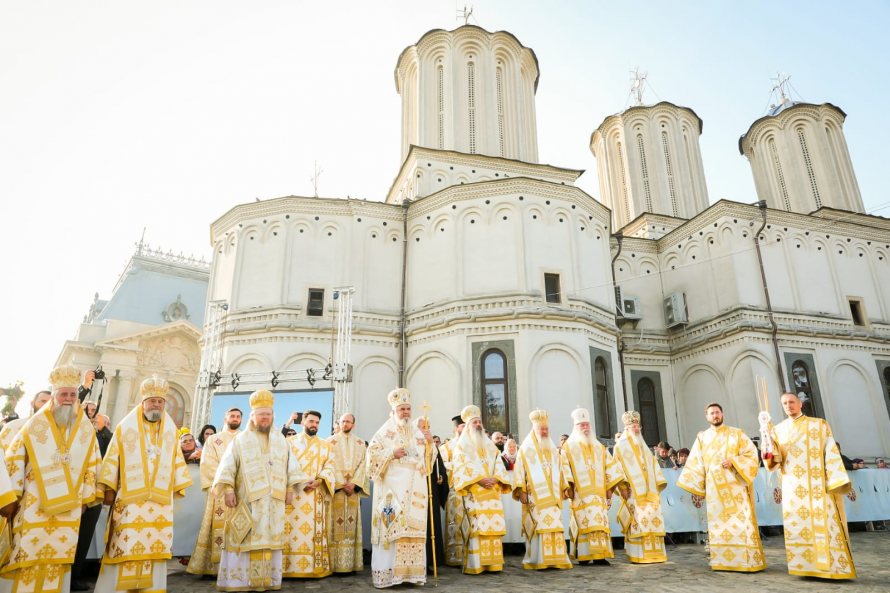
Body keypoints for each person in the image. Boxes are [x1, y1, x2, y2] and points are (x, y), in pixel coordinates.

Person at [0, 364, 101, 593]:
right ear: (53, 397)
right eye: (63, 394)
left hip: (70, 508)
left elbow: (92, 465)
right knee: (25, 553)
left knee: (59, 557)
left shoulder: (85, 430)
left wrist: (86, 499)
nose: (68, 399)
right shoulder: (32, 426)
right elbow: (13, 460)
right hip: (33, 504)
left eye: (72, 395)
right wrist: (13, 496)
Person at [94, 375, 193, 593]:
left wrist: (178, 485)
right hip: (129, 502)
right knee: (124, 544)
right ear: (143, 403)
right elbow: (112, 458)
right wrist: (109, 489)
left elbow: (176, 459)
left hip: (160, 503)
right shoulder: (124, 427)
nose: (156, 405)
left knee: (155, 548)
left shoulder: (170, 431)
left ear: (164, 404)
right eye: (152, 401)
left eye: (160, 401)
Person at [213, 390, 307, 591]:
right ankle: (239, 582)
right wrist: (228, 489)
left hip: (273, 502)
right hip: (246, 501)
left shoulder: (282, 441)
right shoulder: (240, 440)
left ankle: (267, 581)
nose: (265, 418)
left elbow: (292, 466)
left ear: (273, 416)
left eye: (268, 414)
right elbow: (228, 466)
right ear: (252, 417)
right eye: (261, 414)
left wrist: (290, 488)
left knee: (270, 539)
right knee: (244, 538)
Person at [764, 392, 856, 579]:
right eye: (784, 403)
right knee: (798, 526)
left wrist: (834, 479)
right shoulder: (777, 430)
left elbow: (830, 452)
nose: (788, 405)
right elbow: (773, 461)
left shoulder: (818, 425)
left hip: (818, 486)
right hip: (792, 488)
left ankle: (833, 568)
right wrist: (766, 439)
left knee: (826, 524)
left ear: (800, 404)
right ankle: (806, 567)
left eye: (791, 402)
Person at [676, 403, 765, 572]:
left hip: (736, 487)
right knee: (719, 525)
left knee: (741, 522)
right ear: (707, 417)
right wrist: (698, 488)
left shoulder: (737, 433)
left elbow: (752, 455)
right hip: (714, 490)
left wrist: (734, 461)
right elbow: (696, 462)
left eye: (717, 412)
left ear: (722, 414)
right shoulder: (702, 438)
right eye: (711, 413)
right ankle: (723, 560)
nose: (715, 415)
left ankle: (746, 561)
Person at [365, 388, 429, 588]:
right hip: (392, 492)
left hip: (415, 493)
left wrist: (430, 444)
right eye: (402, 409)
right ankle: (389, 575)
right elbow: (371, 458)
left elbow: (428, 461)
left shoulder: (417, 432)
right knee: (391, 531)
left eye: (408, 409)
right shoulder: (384, 432)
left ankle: (410, 575)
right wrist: (391, 452)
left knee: (411, 531)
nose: (406, 412)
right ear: (393, 411)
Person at [450, 405, 511, 574]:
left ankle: (494, 564)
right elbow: (461, 466)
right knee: (477, 528)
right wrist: (480, 480)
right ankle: (476, 564)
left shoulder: (490, 446)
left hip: (492, 492)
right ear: (468, 426)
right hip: (474, 493)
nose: (478, 424)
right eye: (474, 422)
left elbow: (498, 463)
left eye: (479, 422)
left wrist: (496, 478)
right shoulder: (462, 446)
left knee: (493, 527)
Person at [561, 407, 626, 564]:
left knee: (599, 523)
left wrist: (609, 490)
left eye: (587, 425)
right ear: (575, 427)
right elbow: (564, 468)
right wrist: (568, 488)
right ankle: (584, 556)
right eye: (581, 425)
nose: (585, 428)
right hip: (579, 494)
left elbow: (610, 467)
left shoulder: (599, 447)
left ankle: (600, 556)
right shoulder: (568, 447)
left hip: (598, 494)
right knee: (584, 523)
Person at [512, 409, 572, 570]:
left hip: (553, 496)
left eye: (546, 429)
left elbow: (560, 470)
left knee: (555, 525)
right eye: (541, 429)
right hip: (535, 497)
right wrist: (521, 490)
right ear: (534, 429)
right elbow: (519, 470)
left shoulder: (553, 449)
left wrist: (564, 486)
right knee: (539, 526)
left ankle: (557, 558)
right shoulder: (526, 448)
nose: (544, 431)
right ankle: (538, 559)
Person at [187, 407, 243, 576]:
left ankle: (238, 566)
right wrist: (225, 484)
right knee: (216, 527)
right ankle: (214, 568)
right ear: (225, 418)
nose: (235, 418)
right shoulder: (214, 440)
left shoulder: (245, 438)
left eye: (238, 416)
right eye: (231, 416)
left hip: (242, 492)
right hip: (219, 491)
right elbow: (208, 463)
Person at [283, 410, 335, 578]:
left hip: (315, 495)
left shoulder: (325, 445)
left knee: (313, 531)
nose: (314, 425)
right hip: (293, 493)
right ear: (303, 422)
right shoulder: (289, 442)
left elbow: (330, 466)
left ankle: (313, 567)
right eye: (311, 421)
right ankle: (288, 567)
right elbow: (283, 465)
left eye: (317, 422)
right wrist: (298, 482)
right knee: (290, 530)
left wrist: (320, 480)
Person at [612, 410, 667, 564]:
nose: (636, 429)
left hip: (650, 492)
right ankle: (637, 554)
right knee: (637, 521)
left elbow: (653, 465)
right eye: (633, 426)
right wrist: (622, 486)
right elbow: (616, 467)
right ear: (627, 429)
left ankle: (655, 554)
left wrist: (657, 483)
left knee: (652, 520)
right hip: (633, 492)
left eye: (638, 426)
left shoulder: (644, 447)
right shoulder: (620, 447)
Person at [71, 412, 115, 590]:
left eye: (93, 419)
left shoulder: (101, 437)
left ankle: (75, 576)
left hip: (92, 496)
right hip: (68, 496)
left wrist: (102, 429)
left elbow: (108, 450)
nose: (91, 421)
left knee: (84, 540)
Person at [326, 412, 369, 574]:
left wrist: (354, 484)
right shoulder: (329, 442)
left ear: (354, 424)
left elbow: (364, 465)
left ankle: (350, 565)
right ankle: (333, 565)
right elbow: (328, 465)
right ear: (339, 423)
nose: (345, 424)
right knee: (333, 527)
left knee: (351, 527)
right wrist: (341, 484)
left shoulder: (360, 444)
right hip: (336, 491)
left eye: (348, 422)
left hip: (353, 492)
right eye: (343, 421)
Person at [415, 415, 448, 571]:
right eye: (423, 427)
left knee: (431, 524)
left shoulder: (432, 445)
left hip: (430, 490)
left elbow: (438, 464)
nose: (426, 430)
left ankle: (431, 560)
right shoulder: (412, 443)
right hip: (415, 490)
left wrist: (440, 475)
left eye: (428, 427)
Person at [439, 414, 466, 567]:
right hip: (454, 490)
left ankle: (470, 555)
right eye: (463, 426)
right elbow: (443, 467)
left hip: (470, 491)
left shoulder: (472, 445)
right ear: (456, 428)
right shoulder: (446, 447)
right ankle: (453, 557)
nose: (466, 428)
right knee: (454, 522)